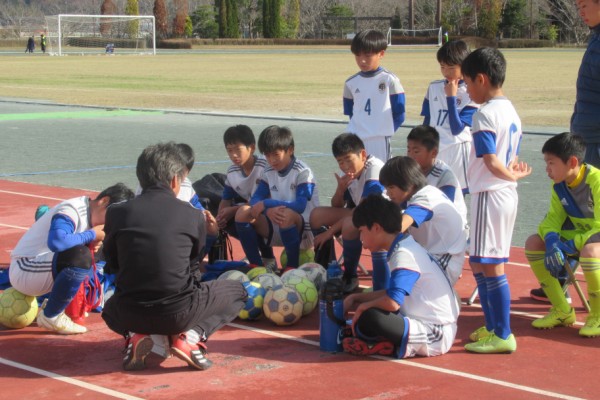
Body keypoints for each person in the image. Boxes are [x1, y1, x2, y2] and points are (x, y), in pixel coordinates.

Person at [102, 142, 247, 371]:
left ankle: (136, 334)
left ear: (141, 179)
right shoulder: (192, 215)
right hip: (178, 313)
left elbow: (111, 264)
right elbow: (192, 267)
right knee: (238, 291)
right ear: (174, 181)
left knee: (109, 308)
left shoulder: (117, 212)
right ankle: (190, 337)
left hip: (129, 311)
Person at [461, 47, 532, 353]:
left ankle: (502, 333)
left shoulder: (485, 114)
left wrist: (509, 175)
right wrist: (511, 170)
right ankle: (492, 326)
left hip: (491, 193)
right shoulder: (509, 109)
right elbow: (510, 154)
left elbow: (491, 161)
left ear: (481, 78)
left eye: (467, 82)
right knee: (479, 260)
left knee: (492, 265)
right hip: (496, 194)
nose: (466, 89)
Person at [342, 194, 459, 358]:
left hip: (435, 333)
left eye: (362, 231)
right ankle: (378, 339)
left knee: (370, 316)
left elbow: (393, 302)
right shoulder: (404, 245)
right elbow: (392, 293)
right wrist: (356, 298)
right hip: (433, 324)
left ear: (376, 228)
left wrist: (363, 307)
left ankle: (382, 343)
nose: (360, 238)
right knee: (368, 314)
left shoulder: (403, 254)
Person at [9, 183, 134, 334]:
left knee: (85, 257)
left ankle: (60, 309)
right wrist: (92, 235)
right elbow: (57, 242)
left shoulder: (88, 214)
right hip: (25, 269)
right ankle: (51, 315)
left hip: (39, 268)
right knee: (80, 257)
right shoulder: (72, 210)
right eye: (114, 215)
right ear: (104, 201)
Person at [525, 132, 600, 337]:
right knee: (533, 243)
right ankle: (562, 310)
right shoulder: (559, 184)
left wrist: (567, 246)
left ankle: (597, 316)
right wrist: (551, 241)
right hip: (582, 237)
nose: (547, 169)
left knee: (591, 251)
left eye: (551, 163)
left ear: (573, 161)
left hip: (594, 238)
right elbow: (553, 219)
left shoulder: (596, 181)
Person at [235, 125, 318, 271]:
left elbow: (300, 206)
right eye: (267, 155)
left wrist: (267, 204)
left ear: (290, 150)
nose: (271, 160)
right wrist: (267, 210)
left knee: (285, 214)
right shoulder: (268, 171)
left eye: (276, 154)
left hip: (303, 232)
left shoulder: (302, 171)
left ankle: (291, 267)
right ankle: (257, 266)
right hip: (277, 225)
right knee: (243, 212)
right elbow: (255, 200)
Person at [309, 133, 385, 293]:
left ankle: (350, 276)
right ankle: (327, 269)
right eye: (340, 162)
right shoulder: (353, 174)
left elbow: (362, 211)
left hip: (381, 219)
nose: (344, 166)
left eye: (348, 159)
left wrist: (329, 232)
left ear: (362, 155)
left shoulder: (374, 169)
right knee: (317, 215)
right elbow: (336, 205)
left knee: (350, 225)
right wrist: (340, 189)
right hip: (363, 215)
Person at [379, 156, 467, 286]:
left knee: (393, 242)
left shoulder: (425, 198)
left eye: (391, 187)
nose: (388, 192)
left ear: (409, 184)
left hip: (445, 260)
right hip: (434, 254)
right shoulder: (416, 195)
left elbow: (398, 227)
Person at [420, 40, 478, 194]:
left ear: (464, 66)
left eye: (451, 68)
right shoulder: (433, 87)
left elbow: (456, 129)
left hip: (458, 149)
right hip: (436, 149)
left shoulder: (471, 92)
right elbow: (427, 121)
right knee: (431, 191)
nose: (446, 72)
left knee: (457, 192)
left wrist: (451, 98)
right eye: (442, 67)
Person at [343, 29, 405, 162]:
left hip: (379, 142)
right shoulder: (350, 83)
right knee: (353, 180)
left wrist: (384, 132)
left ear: (381, 54)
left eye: (367, 55)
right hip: (355, 141)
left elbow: (399, 115)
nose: (362, 60)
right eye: (358, 55)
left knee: (380, 179)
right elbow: (351, 114)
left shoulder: (390, 80)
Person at [216, 125, 274, 266]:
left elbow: (264, 200)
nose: (233, 155)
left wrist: (233, 210)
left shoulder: (265, 166)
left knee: (244, 213)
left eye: (238, 149)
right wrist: (220, 217)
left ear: (252, 148)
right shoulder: (232, 172)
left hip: (273, 211)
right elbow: (226, 199)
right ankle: (257, 256)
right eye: (230, 150)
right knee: (227, 219)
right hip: (252, 211)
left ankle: (265, 258)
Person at [406, 125, 467, 221]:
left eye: (416, 151)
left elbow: (444, 211)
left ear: (433, 153)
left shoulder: (445, 176)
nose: (410, 155)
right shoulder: (409, 171)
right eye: (408, 150)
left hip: (448, 230)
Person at [571, 0, 600, 168]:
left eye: (584, 6)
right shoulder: (596, 38)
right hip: (586, 137)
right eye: (578, 7)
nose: (581, 12)